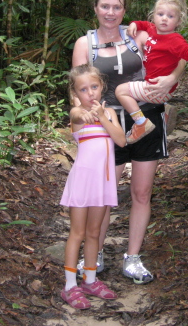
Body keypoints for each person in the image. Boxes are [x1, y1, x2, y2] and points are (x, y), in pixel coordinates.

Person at [72, 0, 185, 284]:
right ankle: (94, 254)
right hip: (106, 124)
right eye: (105, 6)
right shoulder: (85, 44)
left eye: (117, 7)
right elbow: (78, 90)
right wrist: (80, 124)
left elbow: (179, 51)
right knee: (104, 194)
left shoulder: (137, 34)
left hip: (147, 118)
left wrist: (170, 80)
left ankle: (133, 258)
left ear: (124, 9)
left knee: (141, 192)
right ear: (95, 8)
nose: (111, 13)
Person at [60, 64, 126, 309]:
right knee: (77, 232)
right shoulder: (77, 113)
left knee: (94, 233)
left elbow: (120, 140)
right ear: (76, 93)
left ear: (102, 87)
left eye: (94, 87)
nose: (91, 93)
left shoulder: (109, 114)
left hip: (102, 182)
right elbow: (77, 116)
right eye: (84, 89)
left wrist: (102, 116)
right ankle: (69, 285)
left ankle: (89, 279)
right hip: (83, 182)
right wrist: (85, 113)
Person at [115, 0, 188, 144]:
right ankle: (165, 111)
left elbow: (186, 49)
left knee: (120, 91)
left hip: (157, 88)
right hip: (154, 85)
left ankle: (141, 123)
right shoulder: (152, 29)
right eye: (160, 14)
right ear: (153, 16)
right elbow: (142, 24)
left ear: (178, 22)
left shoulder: (174, 39)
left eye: (170, 16)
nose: (164, 19)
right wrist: (134, 24)